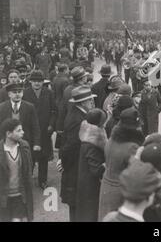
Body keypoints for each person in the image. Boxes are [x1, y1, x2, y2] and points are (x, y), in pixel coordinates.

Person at [98, 107, 144, 221]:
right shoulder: (132, 147)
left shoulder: (112, 140)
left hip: (106, 187)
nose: (140, 127)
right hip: (121, 192)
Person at [59, 85, 97, 222]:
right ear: (83, 102)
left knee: (77, 205)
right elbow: (71, 146)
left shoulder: (78, 114)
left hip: (75, 166)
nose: (92, 103)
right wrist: (64, 162)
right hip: (75, 168)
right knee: (77, 205)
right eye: (90, 101)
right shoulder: (78, 119)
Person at [22, 70, 57, 189]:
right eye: (34, 81)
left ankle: (42, 180)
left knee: (43, 156)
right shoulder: (25, 93)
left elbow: (54, 111)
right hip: (29, 131)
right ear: (30, 82)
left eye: (39, 81)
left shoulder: (49, 93)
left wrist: (51, 125)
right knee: (29, 156)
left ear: (43, 82)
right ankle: (27, 179)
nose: (37, 83)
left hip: (45, 130)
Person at [76, 108, 107, 222]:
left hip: (86, 184)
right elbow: (95, 170)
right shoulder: (92, 143)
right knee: (90, 215)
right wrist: (106, 164)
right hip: (90, 187)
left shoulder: (86, 135)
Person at [0, 119, 34, 222]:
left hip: (20, 195)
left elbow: (29, 170)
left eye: (22, 129)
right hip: (3, 197)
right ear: (8, 134)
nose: (22, 132)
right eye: (18, 130)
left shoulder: (24, 147)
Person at [0, 82, 41, 157]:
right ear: (9, 94)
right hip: (7, 143)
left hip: (25, 142)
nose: (17, 94)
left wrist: (36, 143)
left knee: (26, 166)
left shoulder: (29, 107)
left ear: (22, 93)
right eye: (14, 92)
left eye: (19, 92)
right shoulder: (2, 107)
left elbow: (35, 126)